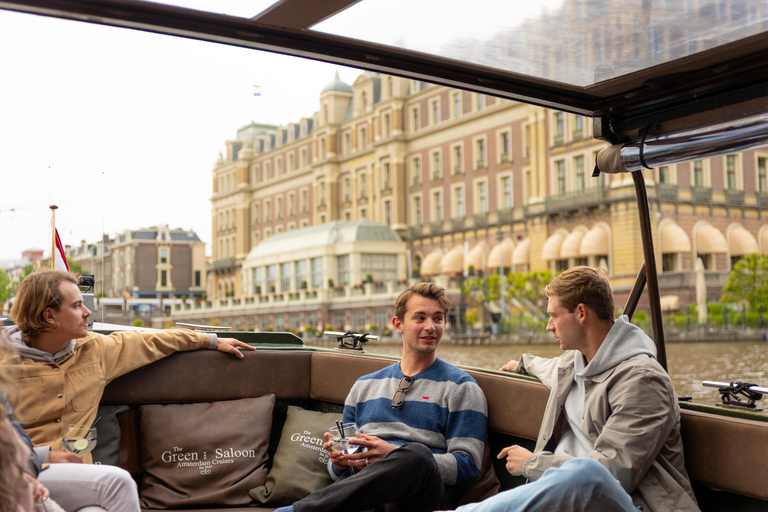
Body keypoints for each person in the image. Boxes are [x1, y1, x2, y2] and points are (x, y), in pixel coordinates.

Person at [1, 269, 255, 511]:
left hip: (78, 471)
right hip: (20, 473)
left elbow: (153, 340)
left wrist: (211, 340)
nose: (87, 312)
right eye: (77, 305)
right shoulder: (4, 362)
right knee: (118, 483)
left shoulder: (95, 350)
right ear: (49, 316)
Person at [452, 266, 699, 512]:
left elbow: (611, 474)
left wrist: (534, 464)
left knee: (588, 473)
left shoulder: (642, 381)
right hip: (566, 500)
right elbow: (545, 366)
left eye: (554, 316)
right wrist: (522, 364)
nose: (549, 326)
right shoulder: (572, 364)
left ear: (581, 313)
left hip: (632, 504)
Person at [275, 282, 488, 512]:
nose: (430, 326)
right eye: (420, 318)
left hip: (418, 502)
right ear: (398, 324)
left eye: (438, 319)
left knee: (417, 456)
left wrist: (393, 454)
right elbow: (338, 471)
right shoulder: (363, 386)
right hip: (365, 501)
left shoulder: (461, 387)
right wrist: (339, 461)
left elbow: (468, 468)